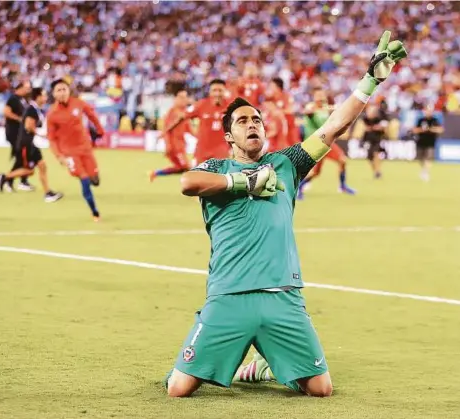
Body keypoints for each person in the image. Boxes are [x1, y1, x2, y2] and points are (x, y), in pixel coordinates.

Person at [165, 31, 407, 398]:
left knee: (320, 388)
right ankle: (241, 356)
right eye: (243, 121)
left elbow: (332, 128)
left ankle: (268, 364)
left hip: (283, 295)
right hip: (229, 295)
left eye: (257, 120)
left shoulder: (286, 164)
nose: (252, 125)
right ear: (229, 135)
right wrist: (242, 183)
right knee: (178, 389)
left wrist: (370, 80)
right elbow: (186, 182)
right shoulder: (214, 168)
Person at [46, 79, 105, 221]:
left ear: (68, 90)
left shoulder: (78, 103)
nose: (61, 93)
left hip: (85, 149)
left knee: (95, 180)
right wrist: (59, 156)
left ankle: (91, 181)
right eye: (58, 90)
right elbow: (52, 139)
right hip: (69, 153)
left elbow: (91, 114)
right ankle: (94, 212)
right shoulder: (52, 114)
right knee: (84, 179)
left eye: (64, 89)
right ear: (53, 94)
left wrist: (100, 130)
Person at [0, 88, 63, 202]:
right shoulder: (32, 109)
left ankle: (48, 193)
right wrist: (42, 134)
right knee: (30, 170)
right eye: (44, 95)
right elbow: (28, 126)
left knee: (41, 167)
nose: (46, 98)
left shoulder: (35, 109)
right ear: (37, 97)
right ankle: (5, 177)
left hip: (30, 143)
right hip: (27, 144)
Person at [297, 88, 356, 199]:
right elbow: (307, 112)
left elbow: (337, 109)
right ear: (314, 97)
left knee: (342, 160)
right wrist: (312, 111)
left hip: (326, 142)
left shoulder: (325, 108)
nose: (320, 97)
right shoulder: (311, 106)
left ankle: (342, 186)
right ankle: (299, 188)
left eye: (321, 95)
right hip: (315, 143)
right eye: (318, 95)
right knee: (315, 172)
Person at [164, 79, 231, 165]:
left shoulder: (231, 107)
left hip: (221, 150)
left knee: (219, 176)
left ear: (224, 91)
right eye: (214, 90)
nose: (217, 93)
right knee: (198, 177)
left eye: (220, 90)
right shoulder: (201, 104)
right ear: (210, 92)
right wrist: (168, 129)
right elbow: (182, 117)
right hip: (202, 151)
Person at [150, 89, 191, 181]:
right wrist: (168, 146)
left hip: (181, 145)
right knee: (187, 167)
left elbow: (188, 129)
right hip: (175, 147)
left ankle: (155, 173)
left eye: (185, 97)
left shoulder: (185, 112)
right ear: (176, 99)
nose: (184, 100)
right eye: (181, 97)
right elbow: (167, 130)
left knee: (180, 168)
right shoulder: (172, 112)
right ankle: (197, 191)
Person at [3, 80, 33, 191]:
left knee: (24, 156)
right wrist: (19, 119)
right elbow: (6, 112)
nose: (28, 90)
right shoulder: (13, 99)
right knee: (21, 156)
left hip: (21, 133)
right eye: (26, 87)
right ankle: (7, 179)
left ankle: (22, 181)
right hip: (14, 132)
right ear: (19, 88)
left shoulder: (23, 100)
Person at [412, 105, 444, 181]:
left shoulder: (435, 120)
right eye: (427, 110)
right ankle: (423, 170)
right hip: (420, 142)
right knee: (420, 158)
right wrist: (422, 130)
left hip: (431, 142)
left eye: (430, 111)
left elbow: (441, 129)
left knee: (429, 158)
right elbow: (414, 130)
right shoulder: (420, 120)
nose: (428, 112)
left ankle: (425, 172)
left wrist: (431, 129)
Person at [266, 77, 300, 146]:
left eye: (271, 86)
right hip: (278, 129)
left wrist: (279, 111)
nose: (269, 88)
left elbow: (290, 110)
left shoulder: (286, 96)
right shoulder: (270, 99)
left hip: (290, 127)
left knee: (293, 147)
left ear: (277, 87)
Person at [362, 105, 388, 178]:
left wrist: (374, 128)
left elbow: (383, 128)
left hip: (377, 139)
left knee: (376, 154)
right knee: (370, 157)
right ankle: (376, 171)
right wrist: (373, 128)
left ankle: (378, 171)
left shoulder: (381, 118)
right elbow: (366, 128)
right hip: (368, 139)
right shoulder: (366, 119)